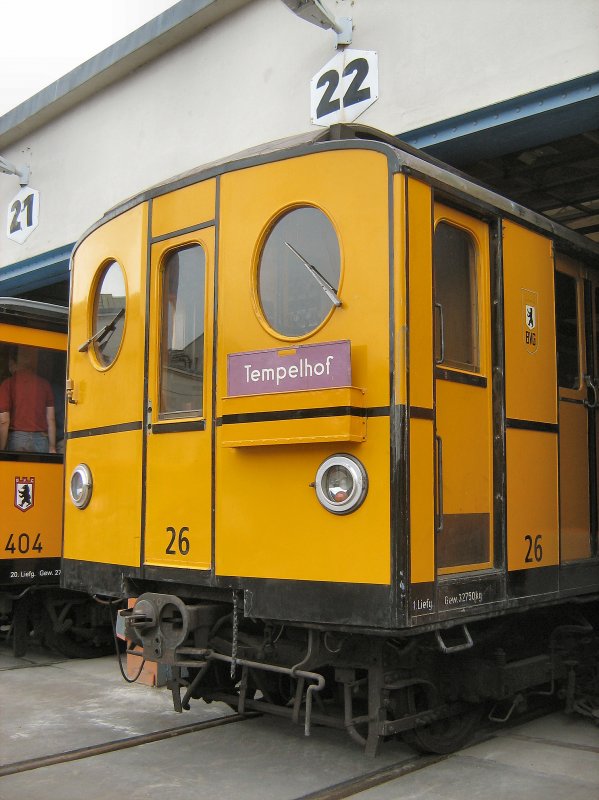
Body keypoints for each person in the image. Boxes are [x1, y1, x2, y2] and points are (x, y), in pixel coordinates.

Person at [0, 347, 56, 453]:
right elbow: (51, 418)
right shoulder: (44, 384)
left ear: (12, 363)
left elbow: (4, 421)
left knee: (16, 470)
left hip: (17, 439)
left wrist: (2, 448)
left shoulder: (7, 384)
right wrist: (52, 447)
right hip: (41, 439)